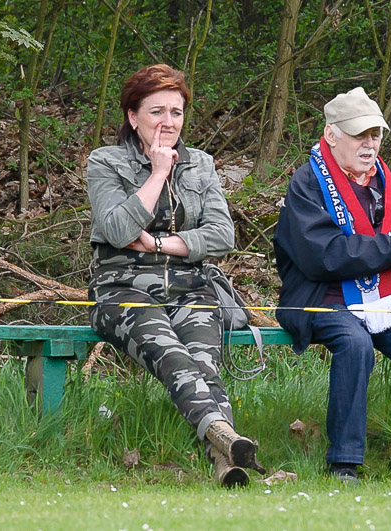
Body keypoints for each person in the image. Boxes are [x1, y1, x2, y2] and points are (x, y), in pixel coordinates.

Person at [86, 64, 264, 488]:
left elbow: (222, 235)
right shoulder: (106, 161)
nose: (168, 122)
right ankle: (226, 440)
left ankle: (225, 462)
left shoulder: (201, 164)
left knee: (205, 366)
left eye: (176, 112)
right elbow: (117, 230)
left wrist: (158, 243)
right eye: (157, 112)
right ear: (133, 117)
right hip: (122, 290)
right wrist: (159, 172)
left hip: (191, 288)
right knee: (173, 357)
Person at [273, 87, 391, 484]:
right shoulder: (307, 183)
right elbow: (323, 255)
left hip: (386, 299)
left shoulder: (385, 180)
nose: (369, 144)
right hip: (322, 298)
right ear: (331, 134)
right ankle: (344, 462)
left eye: (375, 134)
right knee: (355, 346)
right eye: (359, 135)